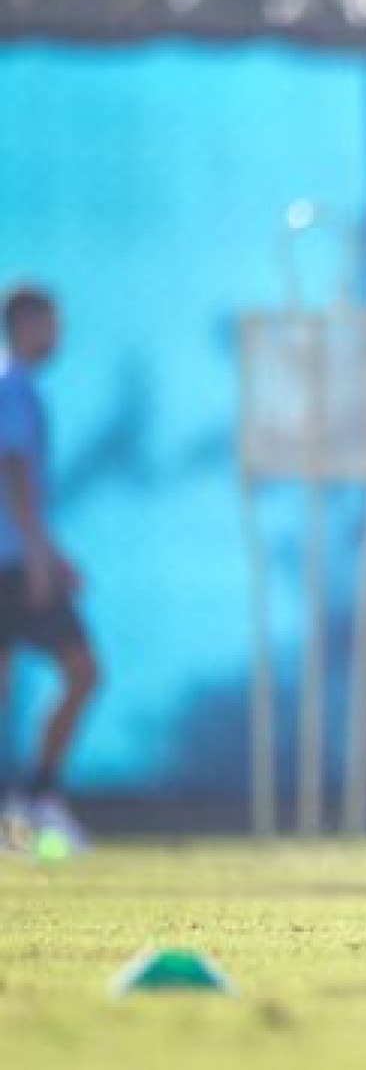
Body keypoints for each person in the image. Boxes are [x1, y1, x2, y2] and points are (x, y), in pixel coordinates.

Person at [0, 287, 98, 852]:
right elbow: (12, 474)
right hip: (13, 567)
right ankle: (37, 799)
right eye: (49, 323)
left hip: (21, 558)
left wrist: (53, 554)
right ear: (23, 323)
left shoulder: (19, 386)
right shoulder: (13, 386)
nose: (56, 335)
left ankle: (26, 805)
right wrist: (40, 559)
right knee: (84, 672)